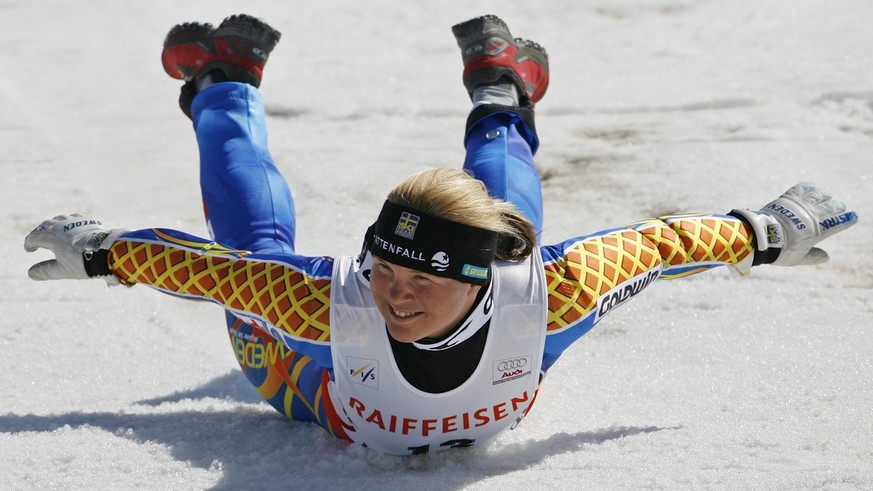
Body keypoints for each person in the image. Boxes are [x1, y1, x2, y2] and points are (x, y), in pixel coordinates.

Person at [23, 14, 858, 456]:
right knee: (254, 264)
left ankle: (501, 90)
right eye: (385, 268)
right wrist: (102, 252)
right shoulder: (323, 303)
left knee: (511, 225)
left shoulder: (550, 286)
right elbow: (203, 271)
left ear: (481, 279)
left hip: (487, 327)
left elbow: (663, 243)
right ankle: (223, 81)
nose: (394, 294)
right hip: (307, 385)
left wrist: (761, 232)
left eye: (422, 277)